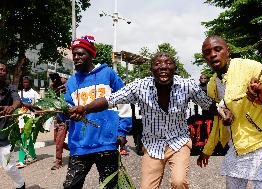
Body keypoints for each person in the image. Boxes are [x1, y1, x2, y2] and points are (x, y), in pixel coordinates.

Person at [68, 52, 216, 189]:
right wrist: (85, 108)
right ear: (151, 69)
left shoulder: (187, 86)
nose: (163, 66)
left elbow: (209, 105)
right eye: (157, 64)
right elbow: (110, 99)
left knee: (178, 181)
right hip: (152, 146)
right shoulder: (140, 86)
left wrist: (225, 112)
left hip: (179, 143)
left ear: (175, 68)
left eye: (168, 63)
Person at [197, 35, 262, 188]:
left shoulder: (252, 68)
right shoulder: (212, 84)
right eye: (207, 52)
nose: (213, 54)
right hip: (236, 149)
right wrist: (207, 149)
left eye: (218, 49)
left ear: (228, 50)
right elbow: (218, 119)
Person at [61, 35, 132, 188]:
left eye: (81, 54)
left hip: (107, 142)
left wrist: (121, 132)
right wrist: (62, 108)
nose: (76, 57)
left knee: (110, 186)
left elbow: (124, 101)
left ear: (91, 55)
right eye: (74, 54)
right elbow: (64, 113)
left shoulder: (108, 74)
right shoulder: (71, 82)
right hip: (80, 144)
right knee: (70, 186)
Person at [0, 63, 25, 189]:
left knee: (8, 166)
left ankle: (20, 185)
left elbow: (17, 101)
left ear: (6, 73)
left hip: (4, 134)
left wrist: (12, 107)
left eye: (3, 70)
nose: (0, 71)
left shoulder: (11, 88)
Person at [16, 76, 39, 168]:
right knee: (27, 138)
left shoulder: (34, 94)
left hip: (30, 119)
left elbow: (39, 107)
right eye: (23, 82)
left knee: (24, 137)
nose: (25, 84)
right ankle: (33, 156)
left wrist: (28, 105)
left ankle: (21, 160)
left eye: (27, 82)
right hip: (21, 119)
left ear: (30, 83)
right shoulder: (19, 93)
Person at [50, 77, 69, 170]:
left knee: (59, 141)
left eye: (64, 84)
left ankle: (58, 161)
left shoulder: (69, 93)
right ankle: (72, 150)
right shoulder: (55, 93)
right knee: (56, 140)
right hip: (58, 120)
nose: (61, 86)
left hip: (67, 121)